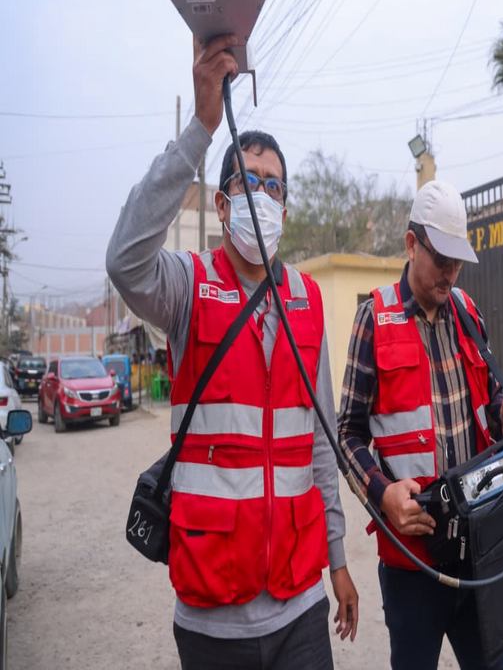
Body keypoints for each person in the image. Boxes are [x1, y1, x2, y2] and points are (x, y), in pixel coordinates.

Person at [107, 35, 358, 670]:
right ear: (223, 205)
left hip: (300, 603)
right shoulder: (187, 286)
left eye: (275, 188)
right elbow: (125, 261)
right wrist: (201, 128)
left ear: (284, 209)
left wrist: (337, 558)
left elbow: (320, 445)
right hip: (212, 612)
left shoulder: (306, 300)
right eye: (249, 182)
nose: (263, 197)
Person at [338, 180, 503, 670]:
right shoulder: (373, 320)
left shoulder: (467, 311)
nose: (451, 273)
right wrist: (381, 493)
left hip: (478, 547)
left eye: (458, 261)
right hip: (412, 562)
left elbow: (491, 399)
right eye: (441, 258)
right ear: (411, 244)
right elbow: (348, 434)